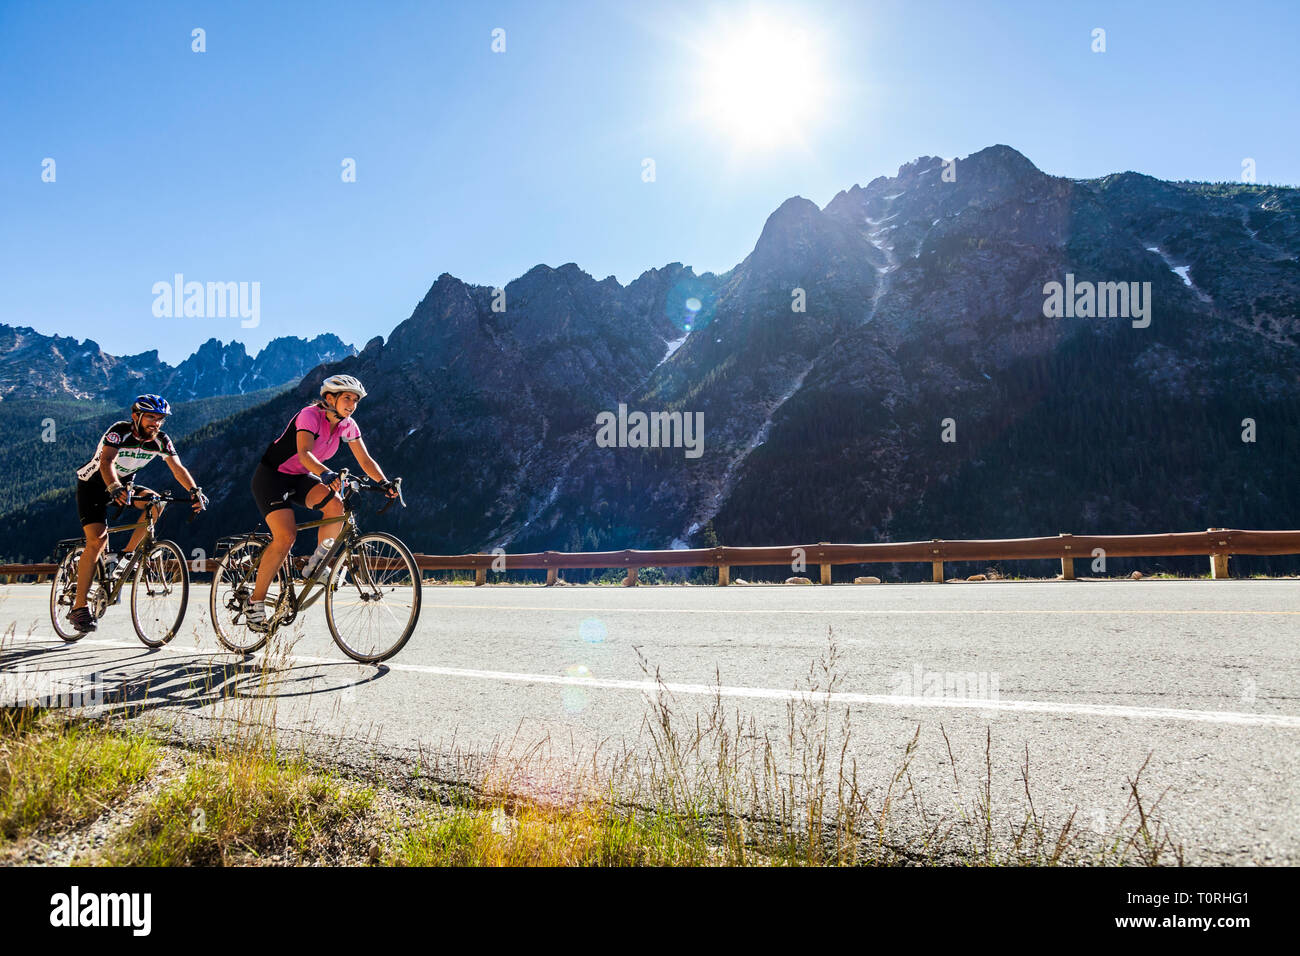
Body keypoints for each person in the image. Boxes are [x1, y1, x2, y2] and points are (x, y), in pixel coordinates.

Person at [246, 374, 398, 630]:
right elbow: (304, 453)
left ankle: (316, 564)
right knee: (286, 537)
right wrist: (326, 474)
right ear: (330, 398)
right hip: (272, 477)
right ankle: (255, 602)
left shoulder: (348, 425)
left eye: (356, 400)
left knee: (335, 505)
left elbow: (365, 460)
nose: (352, 404)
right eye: (347, 398)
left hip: (299, 477)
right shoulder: (309, 416)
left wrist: (384, 483)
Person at [69, 394, 208, 632]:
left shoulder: (162, 440)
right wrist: (113, 488)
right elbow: (107, 462)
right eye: (151, 417)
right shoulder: (119, 432)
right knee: (97, 541)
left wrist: (195, 491)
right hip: (94, 486)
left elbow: (177, 468)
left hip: (125, 488)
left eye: (160, 419)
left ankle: (125, 557)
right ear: (136, 416)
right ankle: (79, 608)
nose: (156, 423)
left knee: (156, 503)